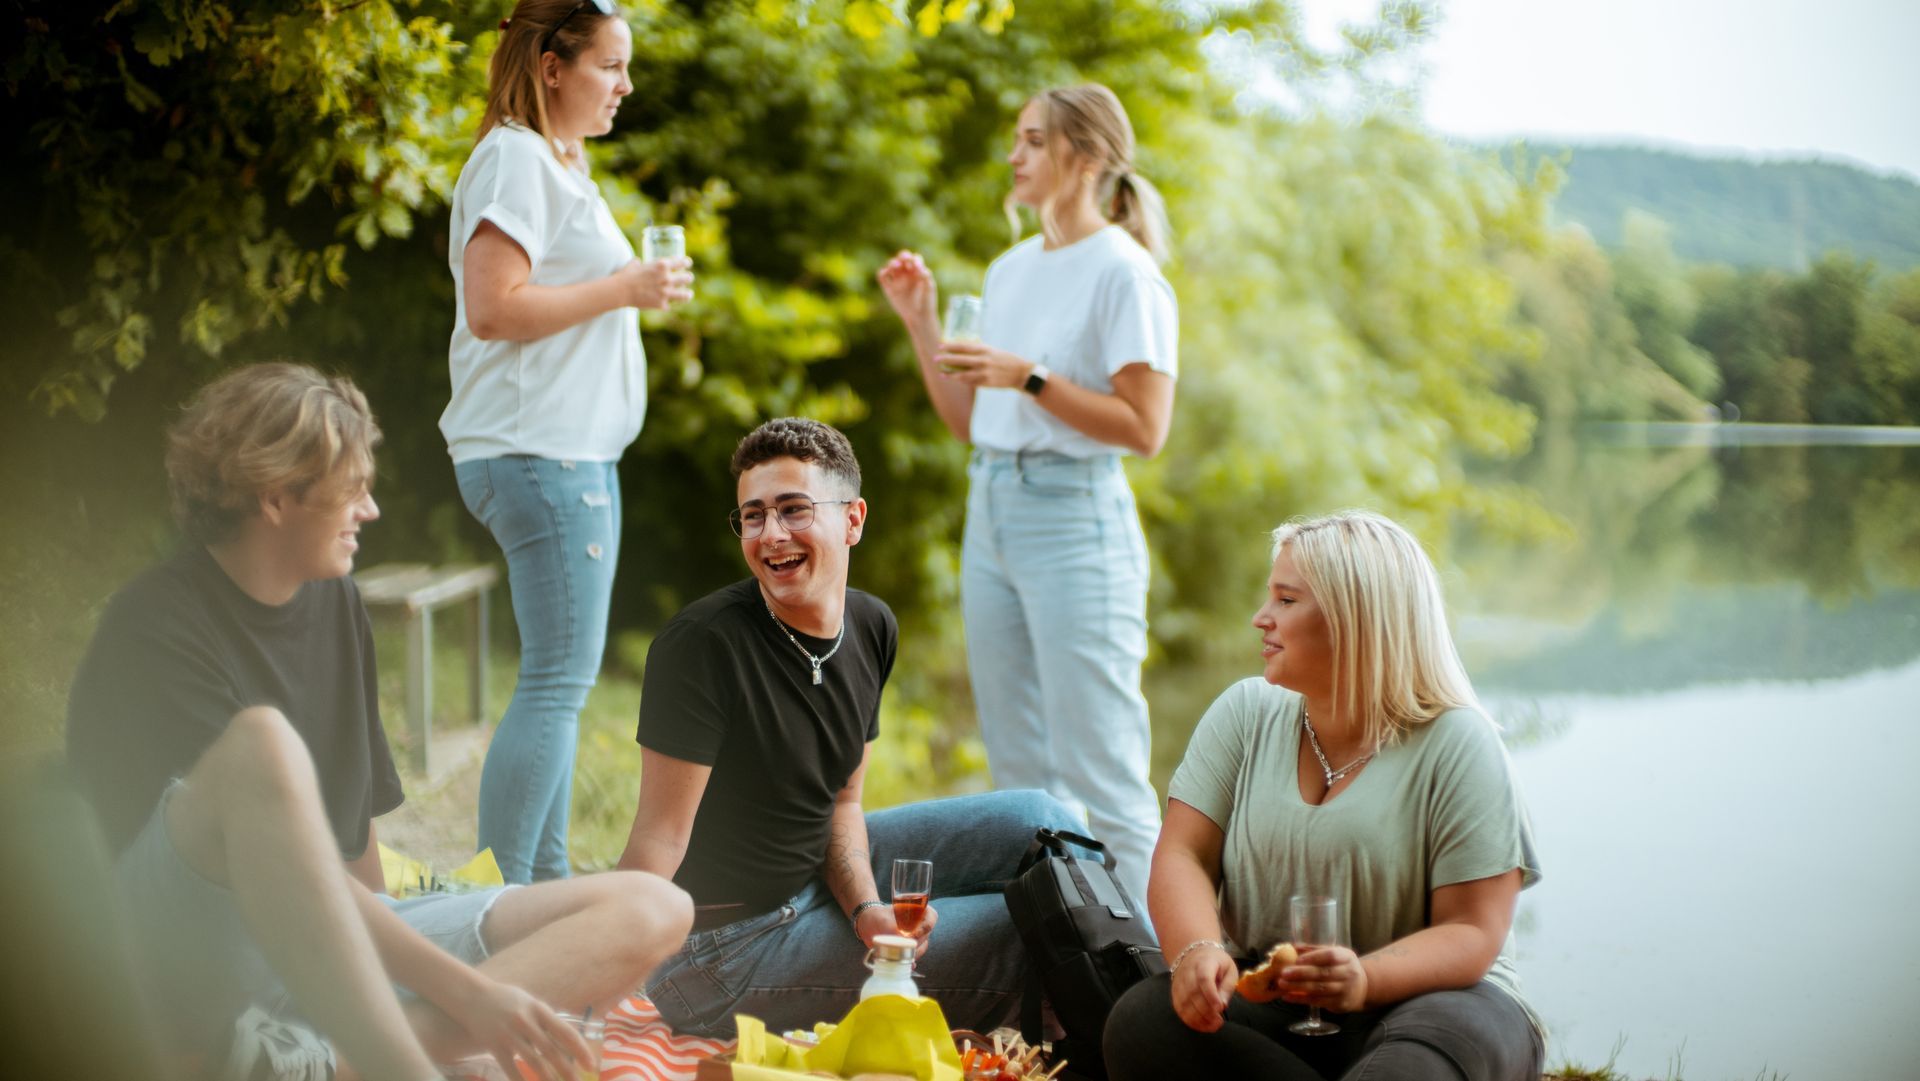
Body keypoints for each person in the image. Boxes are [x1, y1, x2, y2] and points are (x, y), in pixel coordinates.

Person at [67, 363, 693, 1081]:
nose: (369, 511)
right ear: (276, 497)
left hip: (312, 944)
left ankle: (328, 1063)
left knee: (655, 906)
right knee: (265, 743)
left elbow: (354, 836)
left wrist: (399, 970)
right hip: (177, 951)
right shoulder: (157, 627)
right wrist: (472, 994)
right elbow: (272, 872)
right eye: (353, 488)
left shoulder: (334, 601)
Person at [615, 418, 1081, 1038]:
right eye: (752, 516)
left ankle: (1162, 991)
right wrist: (596, 973)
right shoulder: (701, 646)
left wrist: (866, 911)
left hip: (808, 873)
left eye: (793, 509)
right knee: (1028, 929)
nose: (771, 535)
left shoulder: (871, 626)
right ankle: (1150, 1037)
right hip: (717, 956)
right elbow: (657, 842)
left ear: (854, 519)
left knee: (1039, 819)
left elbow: (842, 803)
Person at [1102, 510, 1545, 1081]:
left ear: (1355, 619)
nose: (1261, 619)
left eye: (1286, 601)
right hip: (1282, 1007)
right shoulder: (1243, 712)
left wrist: (1363, 979)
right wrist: (1196, 952)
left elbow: (1474, 931)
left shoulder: (1460, 740)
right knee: (1143, 1020)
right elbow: (1184, 854)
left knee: (1408, 1068)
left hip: (1441, 1004)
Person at [876, 84, 1177, 901]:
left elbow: (1145, 427)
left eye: (1034, 141)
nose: (1014, 154)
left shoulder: (1125, 272)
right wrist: (921, 322)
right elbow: (973, 423)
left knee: (1105, 777)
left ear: (1085, 157)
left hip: (1075, 519)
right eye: (1017, 138)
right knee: (1019, 776)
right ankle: (1058, 976)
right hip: (992, 511)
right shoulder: (1008, 271)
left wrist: (1030, 376)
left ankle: (1148, 989)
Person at [443, 0, 694, 883]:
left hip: (562, 451)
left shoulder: (553, 162)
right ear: (552, 67)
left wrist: (632, 288)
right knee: (555, 681)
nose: (626, 86)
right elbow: (494, 306)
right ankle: (495, 910)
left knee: (560, 681)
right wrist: (625, 286)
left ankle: (539, 890)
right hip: (540, 453)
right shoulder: (516, 157)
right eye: (610, 67)